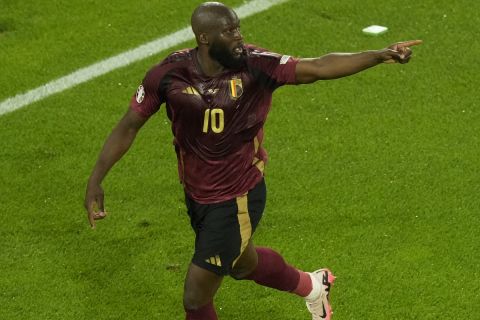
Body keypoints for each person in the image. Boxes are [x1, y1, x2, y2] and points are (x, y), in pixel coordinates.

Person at [84, 2, 422, 319]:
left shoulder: (255, 65)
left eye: (238, 28)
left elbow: (318, 66)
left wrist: (378, 55)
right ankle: (313, 285)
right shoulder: (170, 74)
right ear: (204, 38)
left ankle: (312, 286)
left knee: (195, 297)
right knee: (242, 265)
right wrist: (96, 178)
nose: (238, 36)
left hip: (238, 197)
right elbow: (129, 125)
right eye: (229, 31)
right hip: (197, 195)